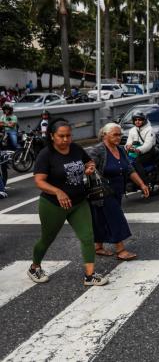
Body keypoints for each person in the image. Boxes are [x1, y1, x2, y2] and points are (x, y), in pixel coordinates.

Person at [29, 118, 108, 286]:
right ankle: (34, 267)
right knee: (47, 239)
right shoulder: (46, 154)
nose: (65, 139)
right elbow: (39, 181)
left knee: (87, 236)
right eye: (61, 136)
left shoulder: (76, 148)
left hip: (79, 202)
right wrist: (57, 191)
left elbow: (89, 161)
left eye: (68, 136)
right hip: (53, 205)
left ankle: (89, 275)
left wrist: (89, 168)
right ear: (52, 136)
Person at [88, 123, 149, 261]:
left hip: (117, 189)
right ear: (105, 135)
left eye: (120, 134)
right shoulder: (98, 151)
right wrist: (90, 168)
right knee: (116, 217)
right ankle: (120, 250)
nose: (118, 137)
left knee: (102, 219)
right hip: (103, 191)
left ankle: (98, 246)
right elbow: (89, 168)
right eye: (115, 134)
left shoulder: (120, 150)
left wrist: (141, 184)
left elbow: (129, 169)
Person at [125, 111, 156, 184]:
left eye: (139, 120)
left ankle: (144, 183)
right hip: (134, 151)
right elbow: (129, 141)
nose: (137, 121)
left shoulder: (149, 130)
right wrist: (127, 146)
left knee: (136, 162)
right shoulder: (132, 130)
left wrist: (139, 150)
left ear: (144, 120)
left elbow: (148, 145)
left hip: (148, 151)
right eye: (135, 120)